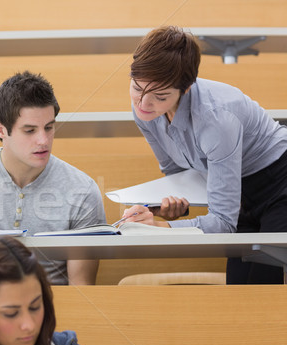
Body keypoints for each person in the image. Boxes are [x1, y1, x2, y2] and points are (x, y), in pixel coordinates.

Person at [123, 26, 287, 284]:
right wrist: (166, 206)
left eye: (160, 96)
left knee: (264, 285)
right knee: (240, 287)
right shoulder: (146, 112)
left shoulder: (217, 119)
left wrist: (159, 227)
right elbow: (177, 174)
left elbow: (223, 222)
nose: (143, 104)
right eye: (137, 87)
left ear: (186, 89)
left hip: (279, 182)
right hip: (239, 190)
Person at [0, 71, 105, 286]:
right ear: (0, 130)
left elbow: (81, 288)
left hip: (50, 310)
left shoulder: (84, 190)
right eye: (29, 130)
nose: (43, 140)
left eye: (49, 127)